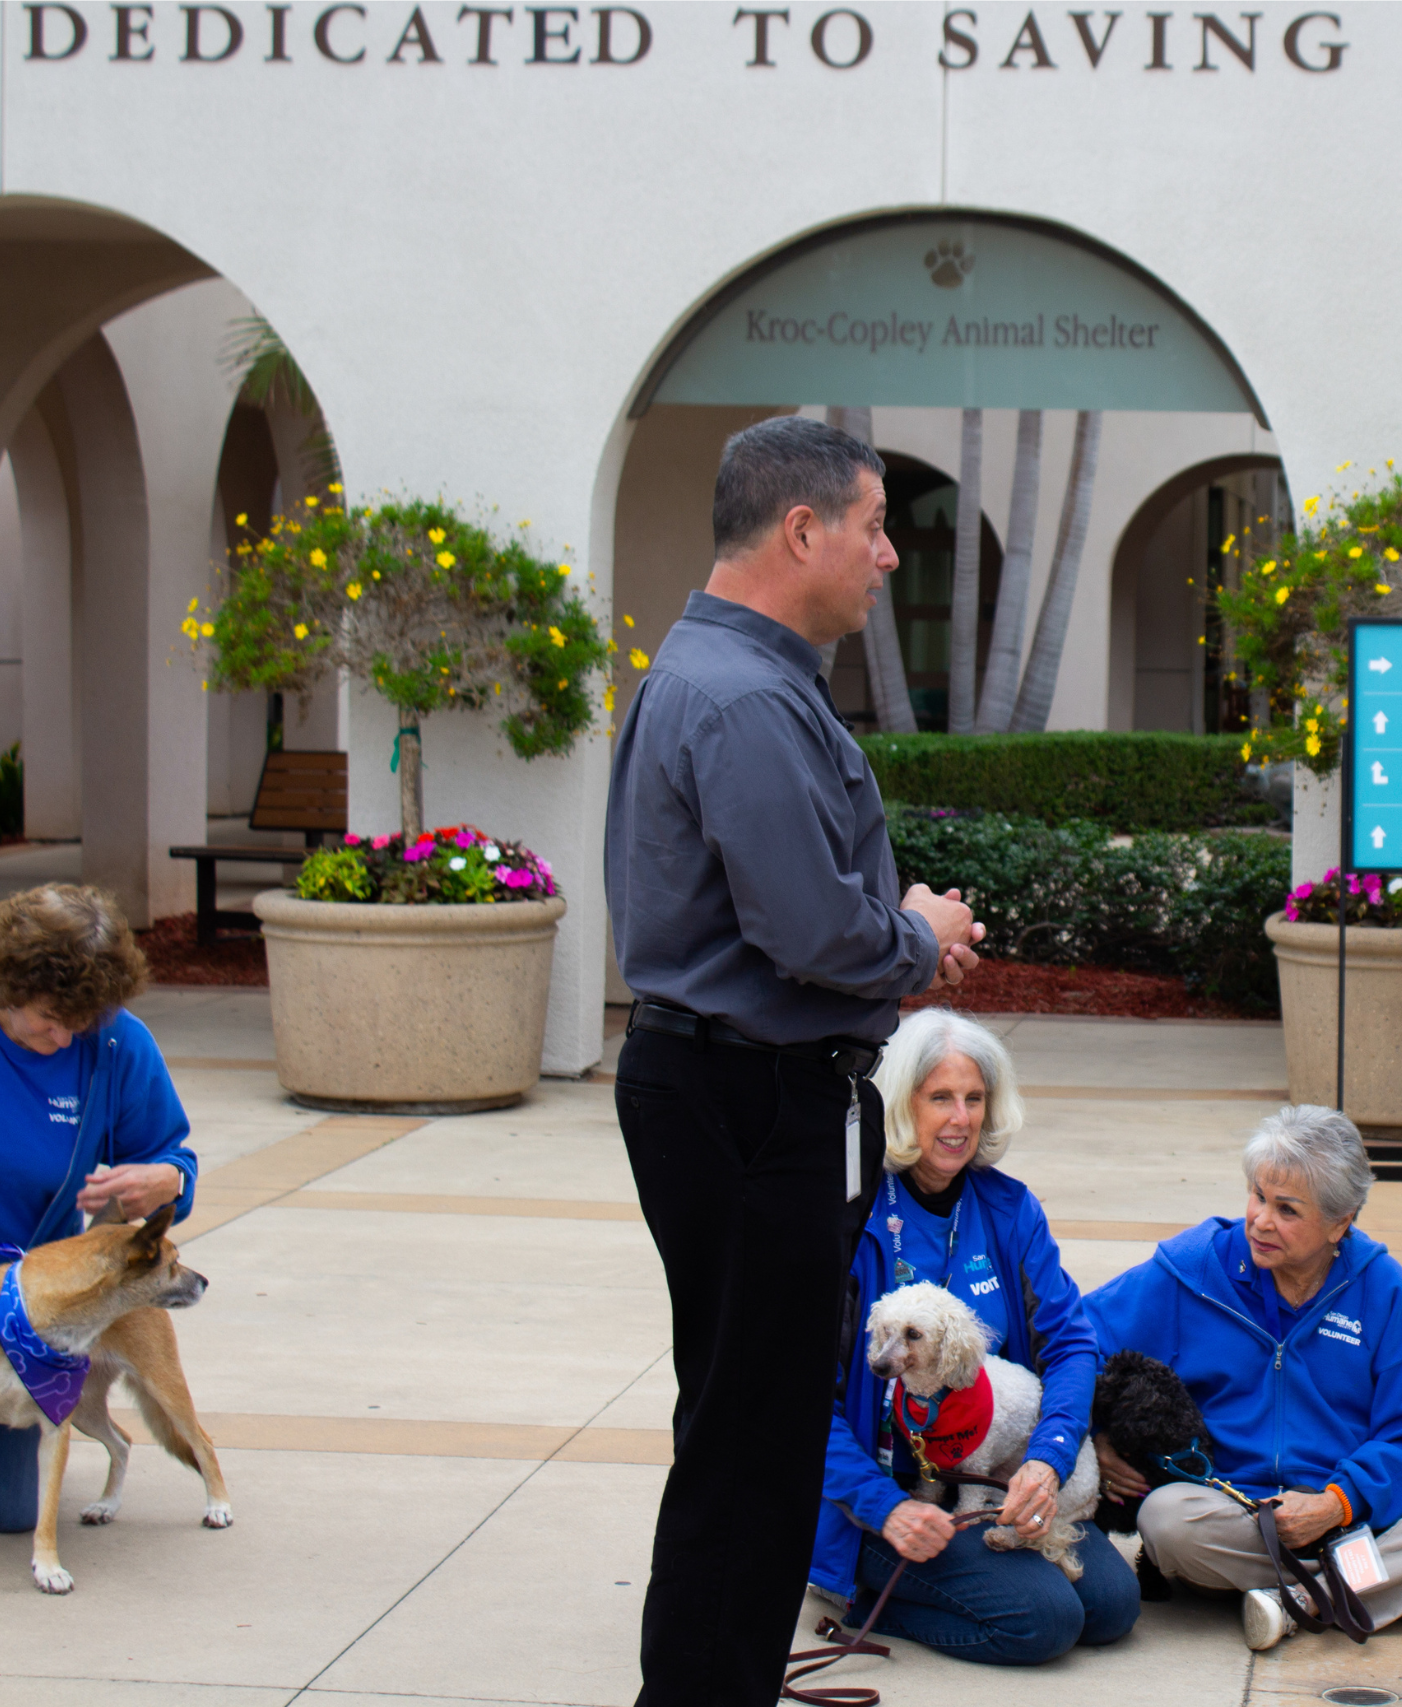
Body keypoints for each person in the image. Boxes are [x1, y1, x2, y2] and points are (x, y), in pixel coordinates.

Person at [605, 416, 988, 1707]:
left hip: (732, 1087)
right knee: (753, 1445)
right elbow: (810, 924)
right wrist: (918, 934)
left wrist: (891, 928)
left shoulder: (720, 674)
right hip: (748, 1097)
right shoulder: (743, 694)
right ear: (801, 530)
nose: (888, 554)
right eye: (875, 526)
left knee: (744, 1428)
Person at [1086, 1105, 1402, 1651]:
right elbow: (1075, 1341)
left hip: (1357, 1512)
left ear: (1340, 1222)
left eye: (1288, 1210)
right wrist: (1095, 1440)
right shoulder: (1193, 1270)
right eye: (1257, 1196)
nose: (1260, 1220)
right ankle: (1383, 1584)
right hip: (1241, 1517)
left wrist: (1337, 1502)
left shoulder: (1381, 1287)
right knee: (1166, 1520)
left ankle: (1295, 1602)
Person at [813, 1008, 1138, 1662]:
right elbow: (798, 1399)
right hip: (888, 1493)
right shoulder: (851, 1216)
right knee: (1043, 1621)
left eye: (973, 1098)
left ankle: (970, 1568)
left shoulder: (1008, 1207)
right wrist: (884, 1506)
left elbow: (1072, 1344)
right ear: (903, 1104)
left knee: (1110, 1605)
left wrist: (1047, 1458)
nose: (960, 1118)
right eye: (940, 1098)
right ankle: (849, 1592)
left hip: (988, 1474)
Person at [0, 883, 198, 1532]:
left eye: (80, 1021)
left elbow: (174, 1160)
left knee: (8, 1510)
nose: (64, 1037)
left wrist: (163, 1179)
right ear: (2, 985)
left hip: (19, 1301)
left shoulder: (118, 1045)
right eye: (47, 1017)